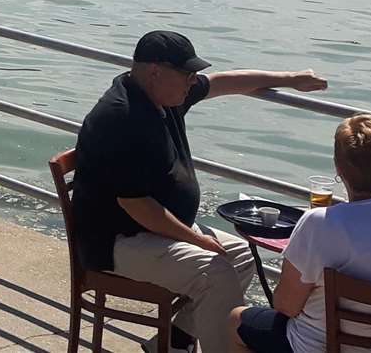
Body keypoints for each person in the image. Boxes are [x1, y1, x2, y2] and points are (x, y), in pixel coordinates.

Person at [71, 31, 328, 353]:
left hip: (153, 230)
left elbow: (222, 82)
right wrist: (197, 240)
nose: (194, 81)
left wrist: (291, 79)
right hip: (116, 241)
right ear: (155, 72)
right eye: (188, 75)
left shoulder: (165, 94)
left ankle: (172, 342)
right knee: (215, 272)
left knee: (243, 256)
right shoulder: (122, 117)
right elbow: (137, 206)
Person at [230, 115, 371, 353]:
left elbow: (286, 306)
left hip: (324, 348)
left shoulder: (320, 223)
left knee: (237, 319)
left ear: (339, 169)